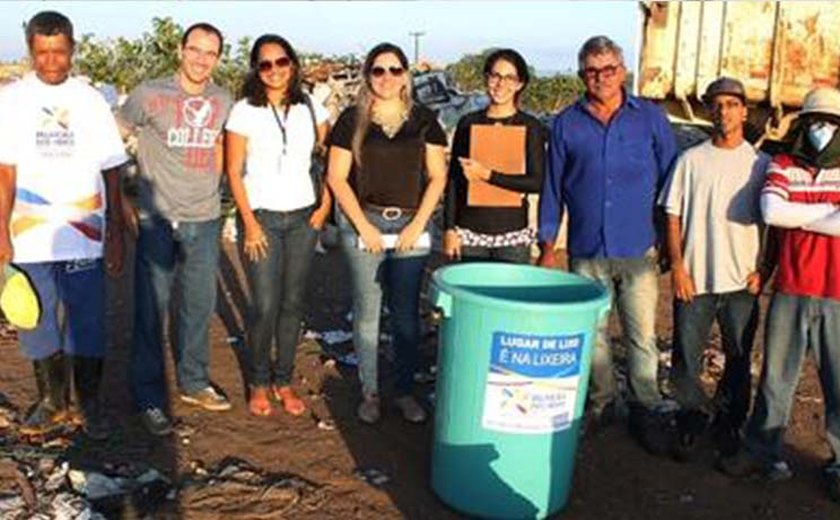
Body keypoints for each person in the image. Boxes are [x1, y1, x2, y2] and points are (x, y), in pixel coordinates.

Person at [537, 35, 677, 453]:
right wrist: (548, 245)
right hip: (586, 249)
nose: (601, 78)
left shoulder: (649, 119)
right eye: (592, 71)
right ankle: (603, 402)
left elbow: (672, 181)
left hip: (638, 247)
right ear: (582, 75)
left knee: (641, 335)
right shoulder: (566, 123)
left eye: (609, 69)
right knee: (592, 334)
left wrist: (671, 241)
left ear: (624, 71)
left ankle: (646, 404)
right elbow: (553, 188)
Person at [0, 11, 128, 439]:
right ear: (30, 50)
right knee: (35, 319)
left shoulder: (90, 100)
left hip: (84, 232)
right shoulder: (12, 99)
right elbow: (5, 173)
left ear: (72, 48)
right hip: (30, 232)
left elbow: (112, 169)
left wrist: (115, 233)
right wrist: (1, 229)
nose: (51, 61)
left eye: (59, 51)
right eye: (42, 52)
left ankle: (88, 405)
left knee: (87, 320)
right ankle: (53, 402)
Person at [719, 87, 840, 500]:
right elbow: (773, 212)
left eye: (831, 124)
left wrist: (800, 215)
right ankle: (762, 451)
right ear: (803, 125)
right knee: (776, 377)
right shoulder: (783, 164)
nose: (822, 131)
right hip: (790, 286)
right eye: (815, 123)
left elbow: (791, 214)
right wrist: (826, 214)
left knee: (839, 382)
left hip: (837, 292)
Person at [119, 22, 233, 436]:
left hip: (203, 219)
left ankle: (194, 382)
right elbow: (114, 144)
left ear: (217, 58)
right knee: (151, 309)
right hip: (157, 219)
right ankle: (149, 397)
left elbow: (222, 145)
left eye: (211, 53)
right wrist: (124, 201)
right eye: (196, 50)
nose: (202, 59)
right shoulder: (149, 94)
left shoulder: (223, 99)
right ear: (181, 51)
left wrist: (216, 192)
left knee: (199, 306)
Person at [326, 43, 447, 424]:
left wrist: (416, 224)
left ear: (406, 75)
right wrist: (363, 225)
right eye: (379, 71)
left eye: (395, 70)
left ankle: (405, 390)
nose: (387, 78)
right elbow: (336, 177)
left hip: (412, 224)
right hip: (365, 222)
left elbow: (438, 176)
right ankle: (371, 391)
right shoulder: (352, 120)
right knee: (368, 311)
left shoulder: (424, 119)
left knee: (407, 313)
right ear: (367, 75)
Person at [659, 77, 772, 460]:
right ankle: (690, 421)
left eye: (731, 104)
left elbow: (774, 226)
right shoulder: (691, 160)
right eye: (717, 104)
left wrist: (763, 272)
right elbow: (672, 214)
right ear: (709, 110)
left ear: (744, 110)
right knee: (687, 357)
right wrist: (677, 266)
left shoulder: (761, 165)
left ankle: (728, 425)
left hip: (742, 281)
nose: (724, 111)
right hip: (696, 280)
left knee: (738, 358)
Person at [225, 34, 331, 417]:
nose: (274, 71)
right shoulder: (244, 111)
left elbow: (328, 160)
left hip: (304, 217)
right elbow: (234, 171)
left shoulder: (311, 107)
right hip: (263, 218)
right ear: (256, 69)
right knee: (265, 304)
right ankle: (258, 380)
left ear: (293, 64)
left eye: (281, 62)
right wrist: (249, 224)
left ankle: (283, 380)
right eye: (265, 64)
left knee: (292, 303)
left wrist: (326, 206)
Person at [443, 48, 545, 263]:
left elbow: (536, 182)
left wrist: (487, 175)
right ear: (486, 78)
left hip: (512, 237)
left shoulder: (530, 126)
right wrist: (449, 229)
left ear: (520, 84)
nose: (501, 84)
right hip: (470, 235)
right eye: (495, 76)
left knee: (508, 297)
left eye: (510, 78)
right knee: (470, 297)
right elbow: (453, 180)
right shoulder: (468, 123)